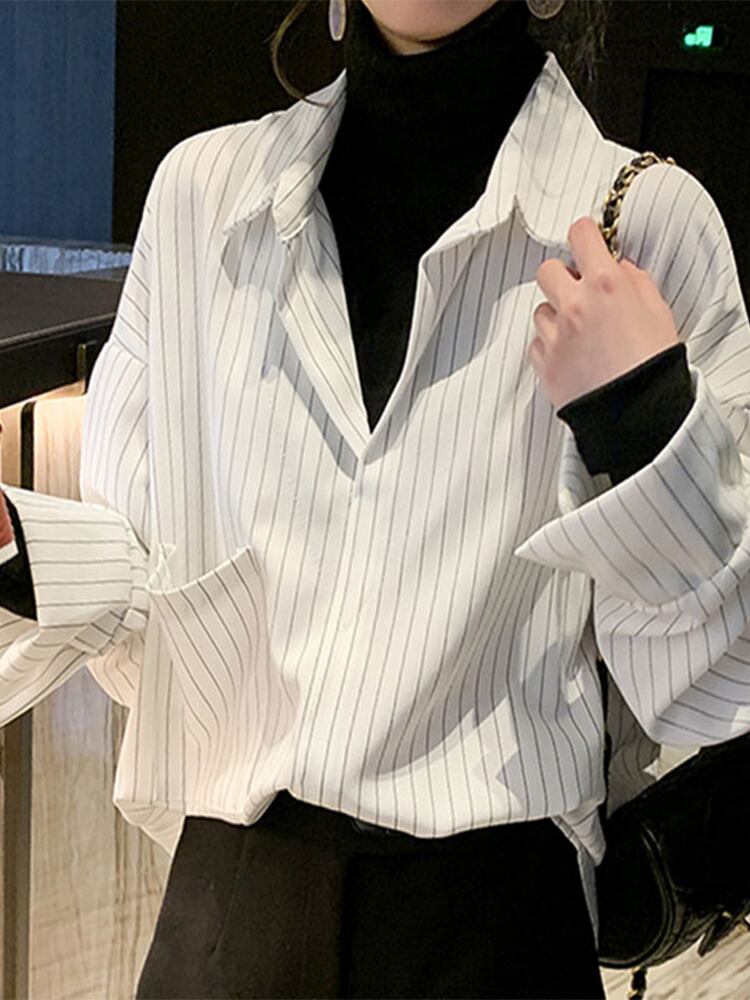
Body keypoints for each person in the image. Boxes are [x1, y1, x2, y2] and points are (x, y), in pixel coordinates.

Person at [1, 0, 749, 996]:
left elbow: (714, 677)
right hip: (230, 911)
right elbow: (151, 617)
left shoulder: (646, 225)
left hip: (494, 922)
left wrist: (645, 416)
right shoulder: (204, 197)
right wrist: (21, 550)